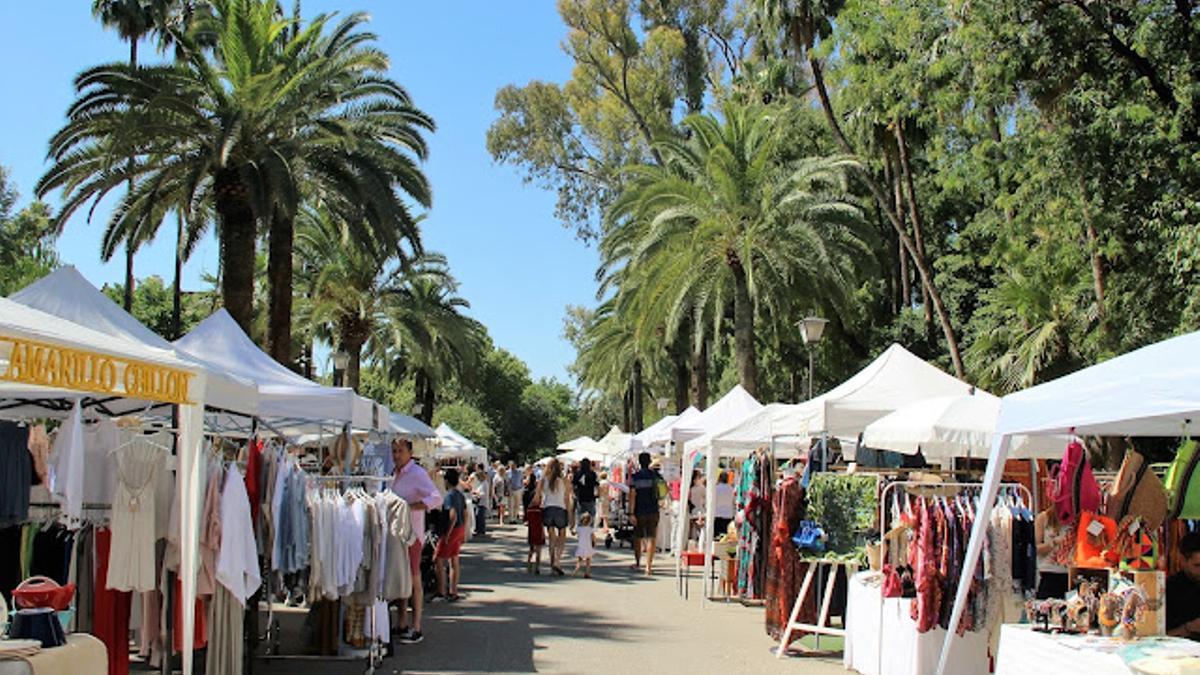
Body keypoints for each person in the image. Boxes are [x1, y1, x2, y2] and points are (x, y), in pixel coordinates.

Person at [390, 438, 442, 644]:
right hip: (397, 534)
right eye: (394, 451)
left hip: (412, 535)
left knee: (414, 579)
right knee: (403, 579)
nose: (396, 455)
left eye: (400, 451)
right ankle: (402, 622)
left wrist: (411, 507)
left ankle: (417, 626)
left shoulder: (417, 473)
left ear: (409, 452)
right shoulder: (393, 473)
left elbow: (436, 498)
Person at [432, 468, 467, 603]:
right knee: (454, 560)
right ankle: (453, 590)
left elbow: (453, 515)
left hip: (452, 530)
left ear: (446, 481)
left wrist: (447, 533)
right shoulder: (460, 495)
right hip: (460, 528)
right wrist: (463, 529)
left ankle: (441, 591)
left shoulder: (449, 496)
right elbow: (465, 513)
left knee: (438, 559)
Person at [535, 457, 572, 576]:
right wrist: (570, 514)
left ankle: (552, 563)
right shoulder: (564, 480)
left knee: (551, 537)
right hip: (560, 508)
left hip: (548, 509)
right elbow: (567, 498)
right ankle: (557, 560)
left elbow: (537, 497)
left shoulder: (543, 479)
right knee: (562, 536)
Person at [629, 452, 664, 576]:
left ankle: (638, 562)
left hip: (639, 510)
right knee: (651, 537)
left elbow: (632, 495)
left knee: (638, 537)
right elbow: (663, 491)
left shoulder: (635, 477)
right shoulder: (656, 476)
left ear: (639, 462)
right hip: (653, 509)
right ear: (649, 462)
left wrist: (631, 513)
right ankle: (648, 566)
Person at [1167, 532, 1200, 639]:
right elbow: (1159, 637)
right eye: (1197, 565)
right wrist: (1189, 628)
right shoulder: (1169, 589)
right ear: (1182, 560)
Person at [1034, 505, 1069, 599]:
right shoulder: (1044, 517)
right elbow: (1036, 549)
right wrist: (1053, 543)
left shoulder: (1079, 518)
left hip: (1073, 575)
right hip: (1050, 575)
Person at [523, 471, 545, 574]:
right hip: (539, 531)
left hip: (531, 531)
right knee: (538, 549)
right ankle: (537, 566)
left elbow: (526, 519)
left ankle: (529, 565)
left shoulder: (529, 510)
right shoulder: (540, 511)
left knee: (531, 549)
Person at [572, 458, 599, 527]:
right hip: (590, 497)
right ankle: (590, 531)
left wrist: (574, 493)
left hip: (580, 497)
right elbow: (596, 485)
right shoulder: (593, 474)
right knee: (591, 516)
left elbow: (573, 485)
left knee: (580, 516)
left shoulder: (577, 473)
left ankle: (580, 532)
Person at [471, 464, 492, 536]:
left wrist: (476, 493)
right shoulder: (482, 483)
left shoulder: (484, 483)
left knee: (480, 516)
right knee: (477, 516)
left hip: (482, 503)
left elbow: (483, 493)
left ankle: (481, 531)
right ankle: (478, 529)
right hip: (479, 502)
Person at [713, 471, 736, 536]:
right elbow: (733, 501)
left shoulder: (715, 488)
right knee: (726, 536)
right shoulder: (731, 489)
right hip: (728, 514)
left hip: (717, 514)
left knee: (717, 536)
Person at [574, 512, 596, 578]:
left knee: (579, 560)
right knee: (588, 560)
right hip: (588, 546)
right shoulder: (590, 529)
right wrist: (594, 543)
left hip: (581, 546)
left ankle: (576, 571)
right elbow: (593, 537)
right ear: (590, 521)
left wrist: (572, 530)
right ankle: (587, 573)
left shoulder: (579, 529)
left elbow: (574, 533)